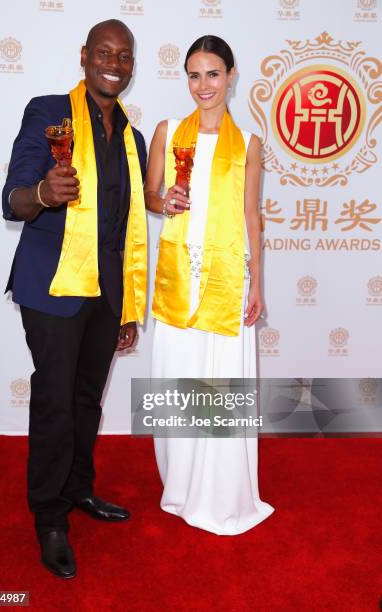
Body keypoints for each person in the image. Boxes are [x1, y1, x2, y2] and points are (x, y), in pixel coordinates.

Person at [2, 19, 147, 578]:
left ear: (132, 66)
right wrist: (42, 192)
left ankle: (80, 490)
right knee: (56, 400)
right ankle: (49, 517)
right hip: (53, 285)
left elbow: (126, 227)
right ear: (85, 56)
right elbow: (11, 201)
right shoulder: (47, 112)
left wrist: (126, 305)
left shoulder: (132, 139)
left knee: (87, 397)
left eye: (125, 55)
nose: (115, 63)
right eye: (105, 52)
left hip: (106, 290)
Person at [144, 35, 274, 535]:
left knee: (220, 385)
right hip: (179, 275)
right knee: (178, 379)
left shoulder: (250, 144)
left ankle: (220, 493)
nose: (204, 85)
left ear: (232, 75)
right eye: (195, 75)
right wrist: (165, 202)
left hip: (228, 278)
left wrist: (257, 284)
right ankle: (179, 487)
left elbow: (251, 217)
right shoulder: (167, 130)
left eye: (213, 74)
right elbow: (151, 196)